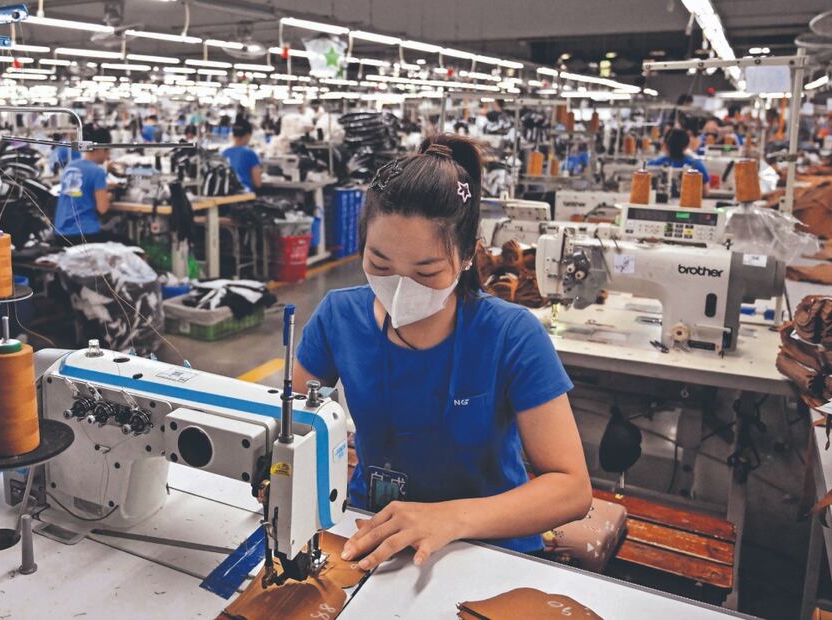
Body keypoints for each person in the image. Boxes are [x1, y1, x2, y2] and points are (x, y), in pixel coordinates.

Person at [294, 134, 592, 570]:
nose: (399, 285)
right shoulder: (338, 316)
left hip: (490, 546)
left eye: (426, 270)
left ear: (468, 255)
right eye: (379, 264)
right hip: (370, 530)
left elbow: (571, 487)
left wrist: (449, 518)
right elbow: (294, 427)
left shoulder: (511, 335)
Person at [53, 125, 123, 245]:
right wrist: (108, 196)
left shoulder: (71, 166)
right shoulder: (97, 172)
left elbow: (79, 190)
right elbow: (103, 209)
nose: (108, 156)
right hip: (84, 235)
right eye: (108, 150)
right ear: (100, 149)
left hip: (61, 235)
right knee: (129, 245)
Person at [649, 128, 710, 195]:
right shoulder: (696, 165)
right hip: (688, 203)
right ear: (686, 146)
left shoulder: (654, 164)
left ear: (665, 145)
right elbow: (706, 192)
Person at [221, 118, 262, 191]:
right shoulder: (250, 153)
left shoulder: (223, 152)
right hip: (244, 196)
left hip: (227, 193)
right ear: (248, 135)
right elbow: (257, 183)